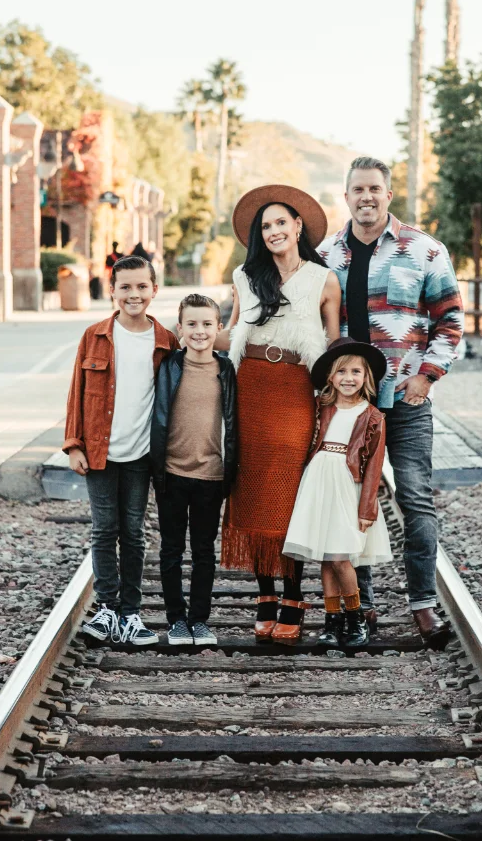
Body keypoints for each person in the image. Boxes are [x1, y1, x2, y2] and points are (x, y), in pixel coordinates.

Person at [318, 156, 464, 647]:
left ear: (388, 194)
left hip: (404, 398)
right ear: (346, 196)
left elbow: (449, 320)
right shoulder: (325, 256)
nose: (367, 197)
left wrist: (427, 376)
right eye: (358, 189)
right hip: (348, 405)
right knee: (351, 500)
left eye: (375, 189)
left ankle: (423, 604)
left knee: (416, 500)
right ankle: (366, 601)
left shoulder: (423, 249)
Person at [215, 184, 341, 643]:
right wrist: (177, 334)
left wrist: (334, 398)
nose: (273, 231)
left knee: (288, 494)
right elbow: (231, 336)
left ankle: (293, 596)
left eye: (280, 223)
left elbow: (330, 347)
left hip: (294, 390)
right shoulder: (245, 278)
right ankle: (264, 594)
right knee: (249, 490)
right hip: (249, 386)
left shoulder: (323, 279)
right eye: (265, 226)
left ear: (298, 226)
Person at [63, 255, 179, 647]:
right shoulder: (94, 336)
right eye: (125, 287)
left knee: (132, 532)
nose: (134, 294)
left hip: (142, 456)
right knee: (103, 529)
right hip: (99, 453)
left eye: (141, 286)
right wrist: (73, 445)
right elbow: (76, 395)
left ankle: (130, 613)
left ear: (154, 290)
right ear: (111, 290)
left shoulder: (166, 341)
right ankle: (107, 609)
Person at [283, 338, 391, 649]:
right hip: (319, 482)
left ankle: (355, 618)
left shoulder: (373, 417)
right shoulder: (320, 408)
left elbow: (373, 466)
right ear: (330, 376)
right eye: (341, 371)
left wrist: (366, 508)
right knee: (327, 559)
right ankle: (332, 621)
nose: (348, 378)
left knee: (343, 557)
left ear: (366, 377)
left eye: (356, 372)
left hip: (348, 487)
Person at [151, 294, 237, 647]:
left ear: (218, 328)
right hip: (172, 472)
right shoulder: (169, 366)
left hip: (211, 475)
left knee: (203, 551)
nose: (199, 331)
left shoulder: (226, 369)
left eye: (206, 324)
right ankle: (176, 620)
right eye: (192, 324)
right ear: (180, 328)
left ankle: (199, 620)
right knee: (171, 549)